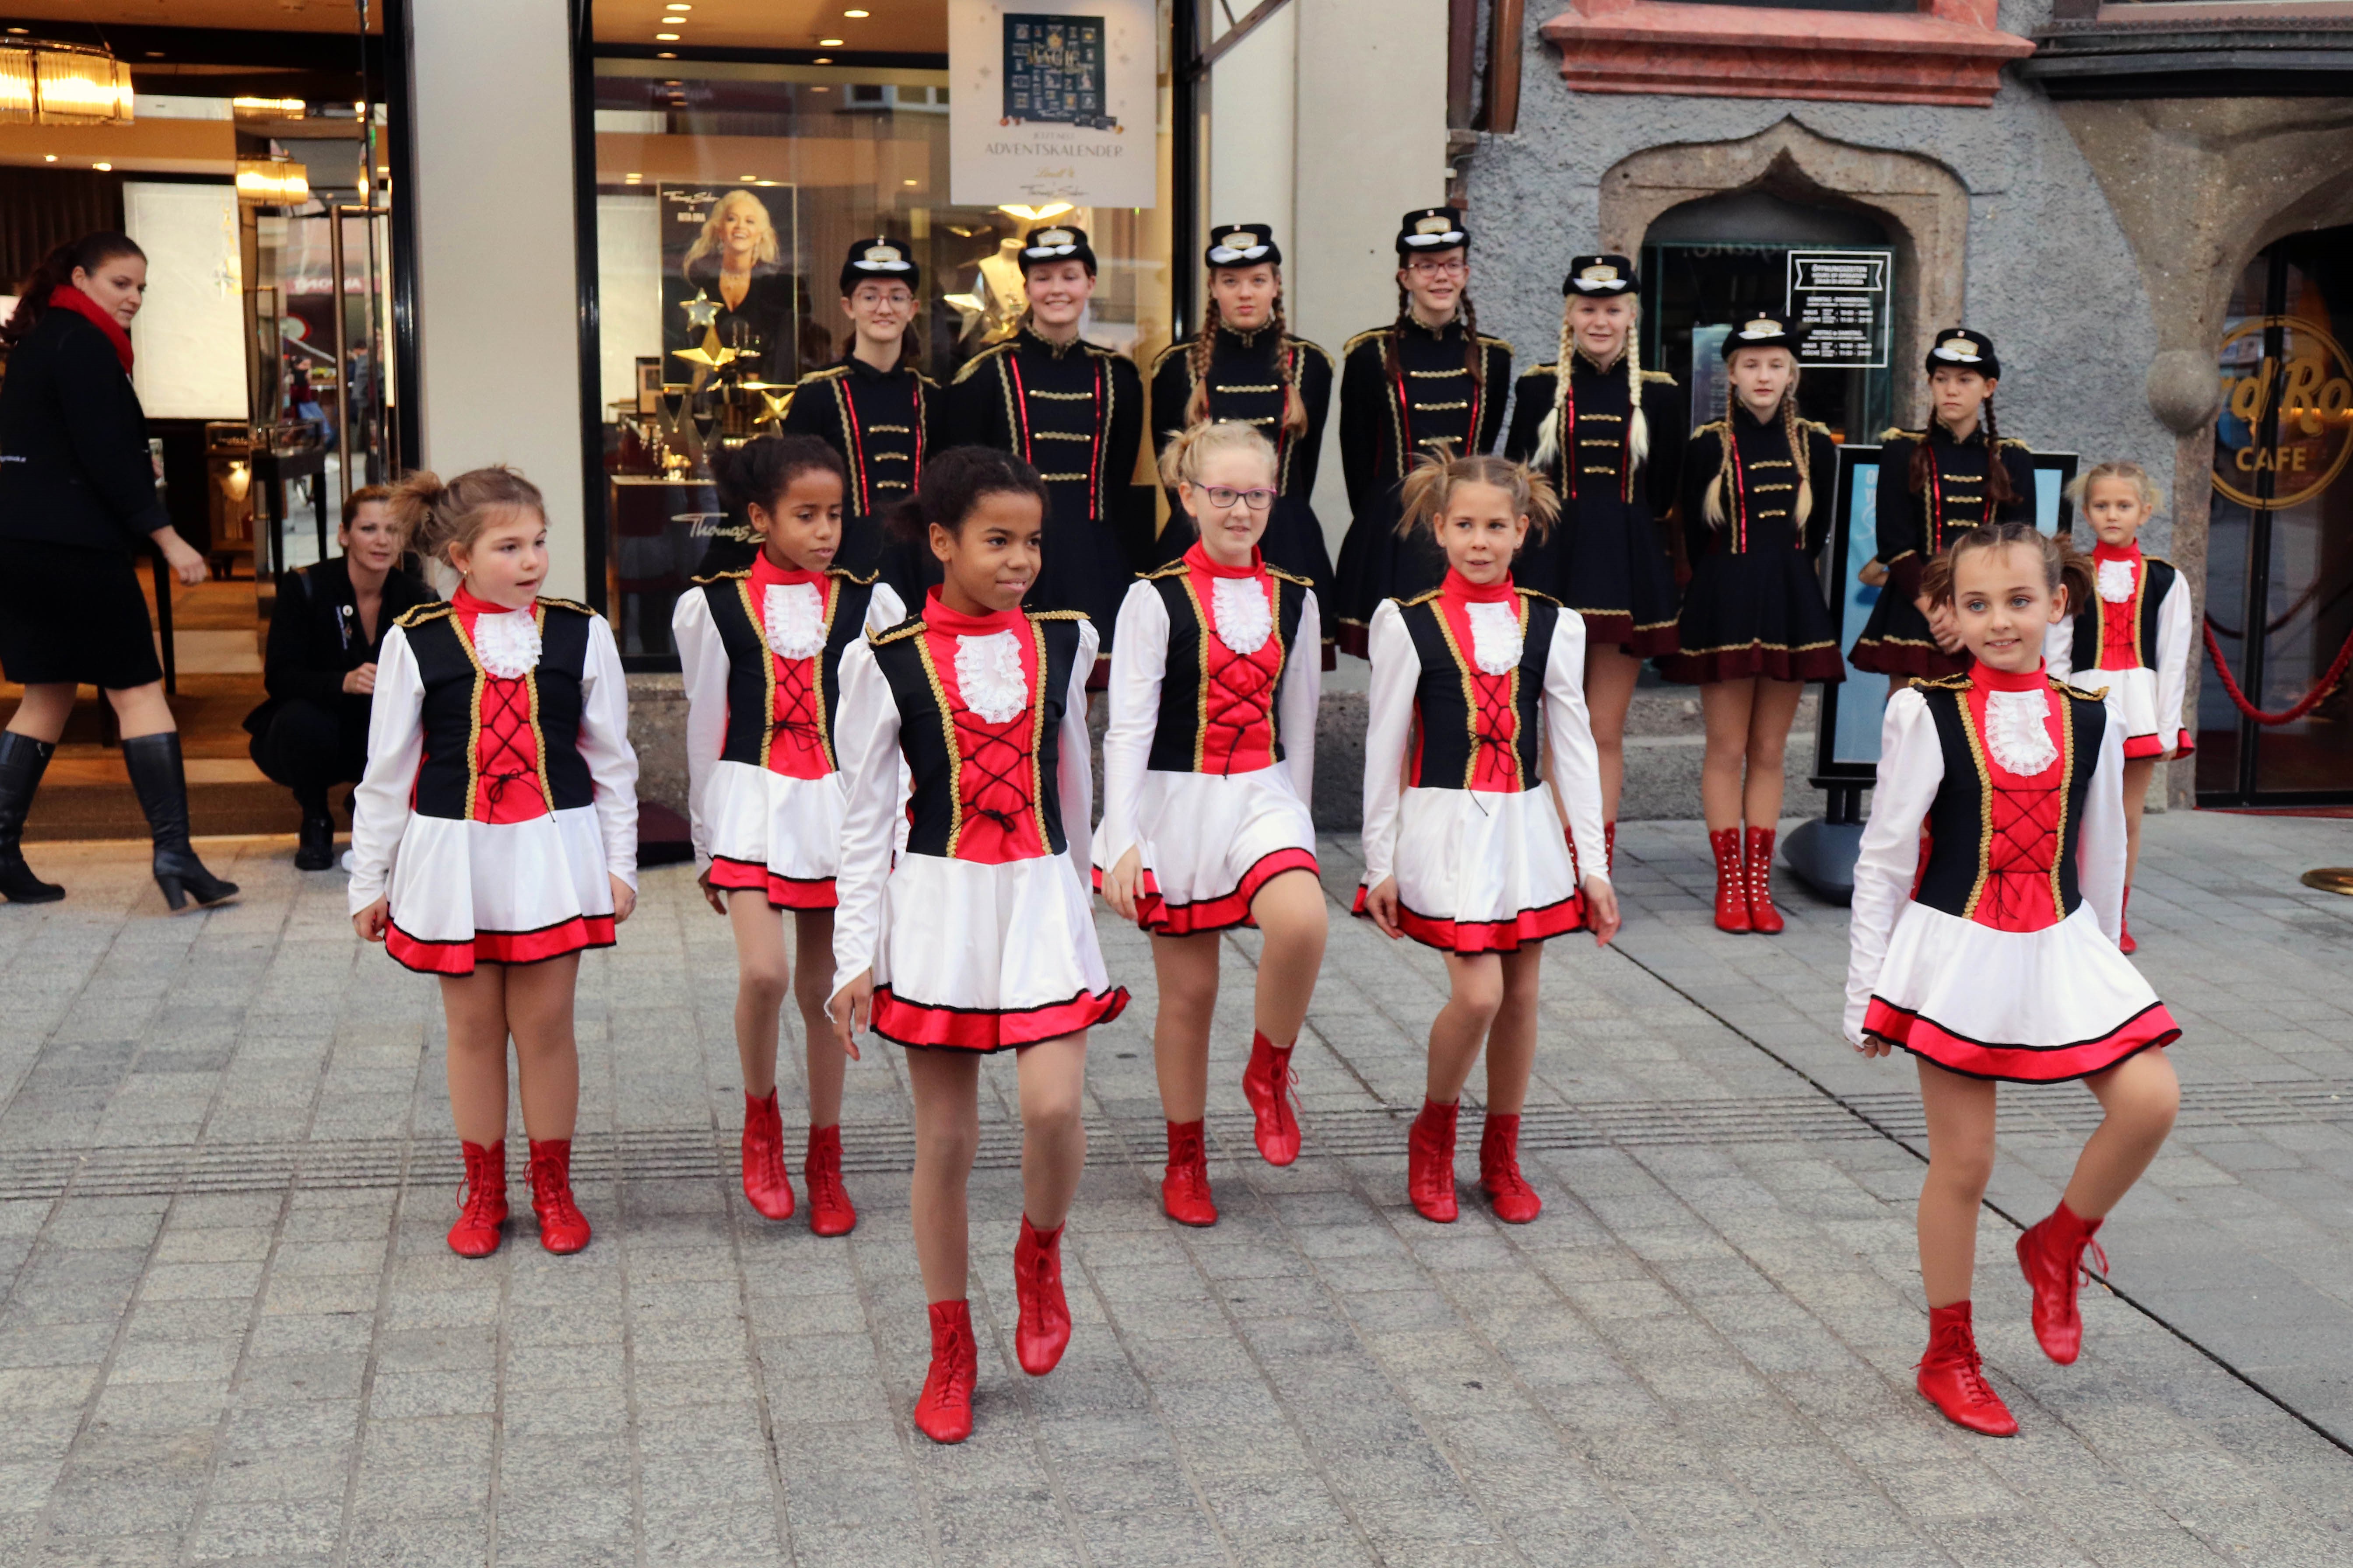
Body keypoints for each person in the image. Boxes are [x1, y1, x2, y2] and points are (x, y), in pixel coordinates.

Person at [1846, 520, 2180, 1438]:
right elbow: (1882, 860)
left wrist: (2109, 958)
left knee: (2150, 1098)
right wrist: (1866, 993)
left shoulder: (2091, 712)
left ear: (2057, 604)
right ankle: (1947, 1352)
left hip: (2065, 943)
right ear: (1950, 614)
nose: (2001, 621)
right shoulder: (1925, 710)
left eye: (2019, 601)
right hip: (1955, 951)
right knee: (1966, 1161)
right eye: (1978, 604)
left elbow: (2104, 845)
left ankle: (2057, 1242)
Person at [828, 446, 1126, 1446]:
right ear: (943, 541)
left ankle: (1039, 1254)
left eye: (1032, 542)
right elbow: (864, 820)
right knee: (946, 1144)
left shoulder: (1064, 644)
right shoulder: (884, 661)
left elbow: (1075, 782)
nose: (1020, 562)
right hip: (940, 912)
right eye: (997, 542)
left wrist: (1088, 895)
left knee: (1052, 1109)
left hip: (1041, 903)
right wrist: (853, 957)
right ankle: (949, 1346)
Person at [349, 467, 640, 1259]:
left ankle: (554, 1183)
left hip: (554, 851)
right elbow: (385, 771)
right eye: (509, 545)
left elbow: (612, 761)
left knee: (546, 1026)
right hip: (454, 856)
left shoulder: (583, 631)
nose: (532, 559)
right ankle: (484, 1188)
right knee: (473, 1028)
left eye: (539, 541)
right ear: (460, 556)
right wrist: (367, 880)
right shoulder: (416, 638)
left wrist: (622, 865)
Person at [1356, 452, 1622, 1226]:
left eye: (1496, 526)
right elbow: (1381, 747)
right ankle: (1432, 1132)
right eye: (1464, 524)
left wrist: (1593, 866)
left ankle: (1499, 1151)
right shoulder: (1406, 622)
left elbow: (1573, 745)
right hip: (1443, 830)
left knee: (1522, 995)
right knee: (1478, 993)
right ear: (1438, 529)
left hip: (1525, 830)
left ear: (1523, 531)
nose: (1480, 540)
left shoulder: (1553, 622)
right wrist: (1380, 859)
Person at [1096, 421, 1327, 1227]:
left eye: (1254, 494)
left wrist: (1295, 820)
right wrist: (1122, 838)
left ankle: (1268, 1069)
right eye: (1222, 493)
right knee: (1189, 994)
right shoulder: (1151, 597)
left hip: (1261, 795)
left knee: (1301, 922)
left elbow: (1300, 722)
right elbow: (1126, 726)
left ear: (1274, 497)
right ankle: (1185, 1156)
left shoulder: (1295, 596)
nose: (1239, 509)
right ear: (1187, 496)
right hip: (1177, 800)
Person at [674, 435, 903, 1233]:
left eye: (835, 514)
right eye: (805, 515)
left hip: (837, 808)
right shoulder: (713, 602)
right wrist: (705, 840)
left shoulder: (871, 602)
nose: (825, 530)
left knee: (827, 989)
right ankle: (760, 1120)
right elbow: (707, 724)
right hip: (748, 802)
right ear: (759, 517)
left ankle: (824, 1155)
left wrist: (896, 827)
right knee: (764, 974)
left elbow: (890, 729)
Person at [0, 231, 236, 911]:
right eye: (121, 284)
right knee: (138, 691)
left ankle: (2, 848)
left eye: (141, 288)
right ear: (80, 277)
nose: (133, 298)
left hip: (20, 543)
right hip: (74, 548)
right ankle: (174, 853)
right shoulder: (83, 345)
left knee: (46, 696)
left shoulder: (42, 343)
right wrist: (168, 539)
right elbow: (108, 455)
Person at [1657, 317, 1843, 934]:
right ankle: (1730, 884)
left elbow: (1812, 539)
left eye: (1775, 365)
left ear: (1793, 374)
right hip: (1726, 601)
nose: (1763, 377)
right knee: (1727, 747)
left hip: (1790, 600)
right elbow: (1689, 531)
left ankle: (1760, 885)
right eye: (1750, 365)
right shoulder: (1706, 444)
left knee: (1768, 749)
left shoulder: (1817, 446)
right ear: (1731, 374)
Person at [1506, 256, 1686, 860]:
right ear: (1570, 314)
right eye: (1588, 309)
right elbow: (1518, 482)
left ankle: (1594, 866)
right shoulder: (1536, 387)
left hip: (1628, 571)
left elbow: (1665, 489)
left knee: (1603, 729)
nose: (1600, 321)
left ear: (1631, 313)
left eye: (1612, 309)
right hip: (1554, 567)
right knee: (1557, 728)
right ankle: (1555, 863)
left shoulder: (1661, 395)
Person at [947, 225, 1144, 673]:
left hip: (1094, 562)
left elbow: (1119, 484)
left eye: (1069, 276)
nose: (1057, 289)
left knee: (1091, 698)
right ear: (1026, 286)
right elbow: (962, 491)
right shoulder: (983, 375)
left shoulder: (1120, 378)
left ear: (1090, 283)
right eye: (1043, 277)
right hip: (1008, 567)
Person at [1331, 207, 1514, 656]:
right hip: (1391, 527)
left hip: (1465, 530)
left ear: (1466, 273)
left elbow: (1485, 452)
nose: (1440, 276)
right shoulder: (1368, 355)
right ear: (1405, 277)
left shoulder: (1494, 357)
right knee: (1395, 675)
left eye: (1451, 264)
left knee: (1462, 666)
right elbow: (1356, 456)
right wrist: (1384, 513)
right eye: (1426, 266)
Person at [1146, 224, 1337, 654]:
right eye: (1231, 282)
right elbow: (1170, 475)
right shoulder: (1175, 366)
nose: (1245, 293)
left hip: (1286, 537)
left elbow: (1306, 465)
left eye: (1258, 280)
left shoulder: (1312, 364)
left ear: (1277, 285)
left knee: (1284, 664)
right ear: (1213, 288)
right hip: (1197, 536)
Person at [244, 485, 435, 870]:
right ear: (344, 535)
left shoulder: (417, 596)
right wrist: (341, 682)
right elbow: (279, 677)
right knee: (300, 718)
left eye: (393, 530)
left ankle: (369, 807)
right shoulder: (306, 586)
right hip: (318, 727)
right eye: (368, 529)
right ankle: (315, 818)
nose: (382, 541)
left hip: (381, 732)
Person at [2045, 461, 2192, 955]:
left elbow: (2173, 657)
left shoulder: (2166, 579)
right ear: (2086, 512)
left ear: (2144, 511)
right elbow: (2058, 646)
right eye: (2102, 505)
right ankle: (2073, 908)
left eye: (2123, 505)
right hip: (2084, 704)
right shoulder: (2074, 573)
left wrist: (2168, 726)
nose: (2112, 514)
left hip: (2140, 708)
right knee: (2078, 812)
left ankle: (2117, 912)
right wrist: (2053, 706)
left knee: (2127, 816)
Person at [1849, 329, 2036, 682]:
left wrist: (1974, 616)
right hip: (1918, 611)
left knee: (1983, 727)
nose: (1951, 390)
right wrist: (1941, 614)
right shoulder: (1900, 450)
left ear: (1988, 388)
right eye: (1941, 379)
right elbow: (1895, 545)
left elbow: (2020, 550)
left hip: (1989, 616)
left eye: (1965, 380)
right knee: (1909, 721)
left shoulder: (2012, 457)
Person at [779, 237, 944, 587]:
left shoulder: (934, 398)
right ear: (848, 306)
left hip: (923, 573)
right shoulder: (817, 394)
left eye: (896, 297)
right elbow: (793, 494)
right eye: (870, 296)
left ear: (913, 308)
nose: (884, 308)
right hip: (842, 570)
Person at [666, 189, 796, 383]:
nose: (740, 227)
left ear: (760, 234)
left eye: (750, 221)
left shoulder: (776, 287)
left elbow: (783, 353)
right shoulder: (696, 280)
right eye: (732, 219)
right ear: (719, 230)